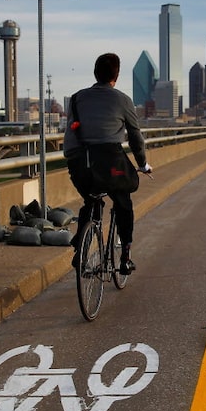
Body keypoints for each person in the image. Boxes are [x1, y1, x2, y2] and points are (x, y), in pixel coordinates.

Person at [64, 53, 152, 274]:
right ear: (117, 75)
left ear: (95, 73)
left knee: (91, 199)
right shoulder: (123, 100)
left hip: (79, 162)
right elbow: (135, 138)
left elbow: (72, 133)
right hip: (109, 161)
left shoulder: (76, 99)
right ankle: (125, 257)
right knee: (122, 201)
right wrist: (142, 163)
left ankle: (81, 249)